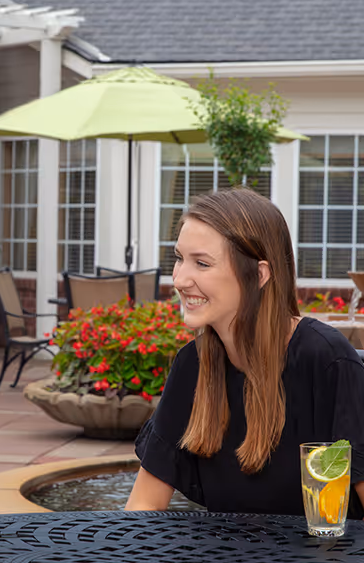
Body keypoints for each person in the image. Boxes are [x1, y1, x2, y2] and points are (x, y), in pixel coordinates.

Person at [126, 187, 364, 516]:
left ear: (259, 274)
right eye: (179, 259)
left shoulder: (327, 361)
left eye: (202, 263)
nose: (179, 279)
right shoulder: (191, 366)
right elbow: (144, 504)